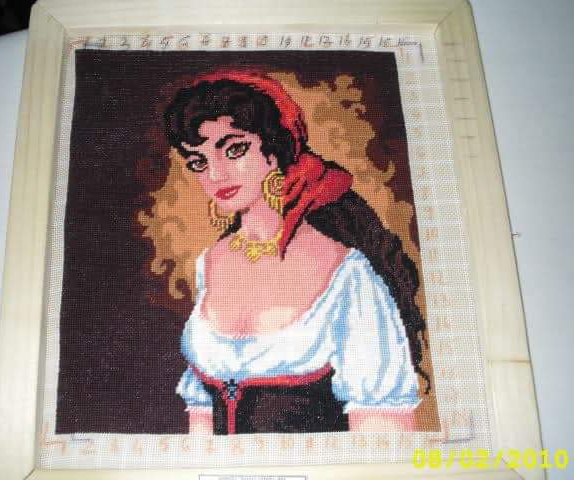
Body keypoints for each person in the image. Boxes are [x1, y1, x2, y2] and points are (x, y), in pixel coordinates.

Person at [163, 69, 429, 435]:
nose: (216, 174)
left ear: (275, 149)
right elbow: (201, 415)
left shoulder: (346, 273)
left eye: (234, 149)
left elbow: (383, 432)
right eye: (199, 161)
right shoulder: (209, 263)